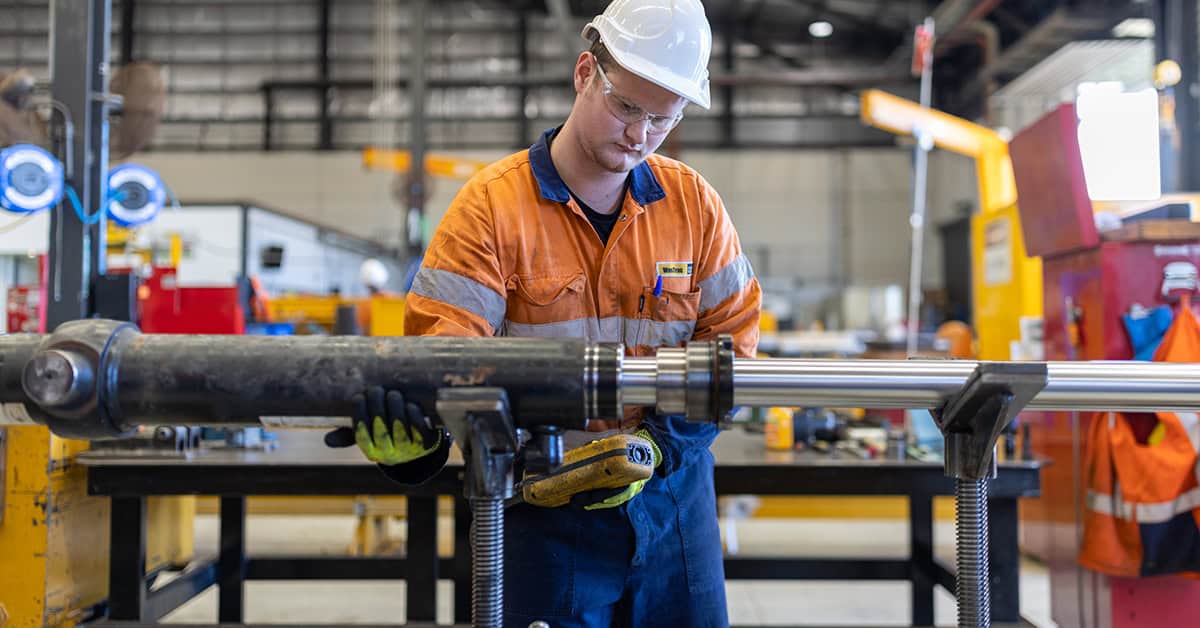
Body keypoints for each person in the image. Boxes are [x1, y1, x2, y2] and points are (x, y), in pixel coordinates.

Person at [327, 1, 760, 625]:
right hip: (539, 506)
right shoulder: (490, 210)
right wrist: (421, 443)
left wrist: (658, 448)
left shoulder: (695, 208)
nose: (639, 135)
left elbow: (732, 345)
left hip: (673, 509)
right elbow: (443, 357)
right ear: (585, 73)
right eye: (627, 107)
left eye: (662, 119)